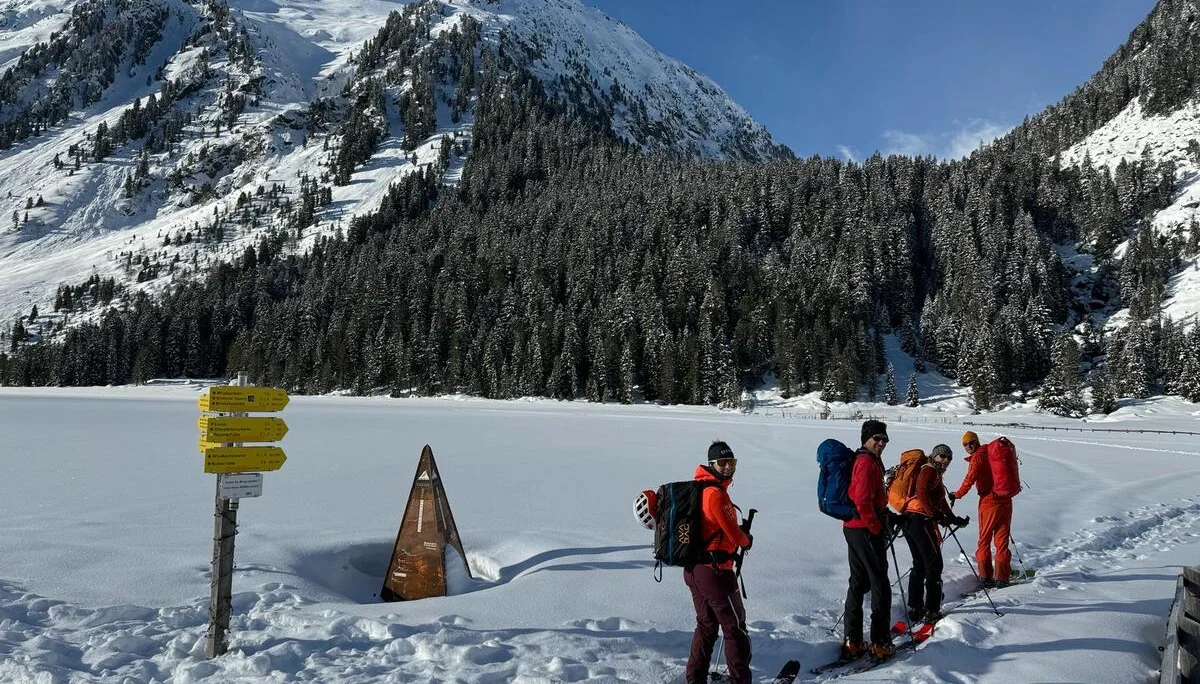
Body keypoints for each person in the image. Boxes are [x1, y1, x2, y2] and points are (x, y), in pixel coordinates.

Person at [684, 441, 753, 684]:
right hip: (715, 572)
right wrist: (746, 540)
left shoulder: (702, 488)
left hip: (695, 569)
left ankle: (695, 679)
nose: (727, 468)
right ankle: (740, 680)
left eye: (731, 463)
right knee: (735, 627)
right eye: (722, 463)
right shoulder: (715, 493)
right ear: (711, 464)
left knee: (706, 626)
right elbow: (735, 535)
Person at [841, 420, 895, 661]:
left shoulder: (868, 459)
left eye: (884, 440)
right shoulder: (865, 462)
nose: (881, 443)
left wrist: (883, 515)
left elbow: (871, 498)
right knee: (880, 584)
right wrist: (876, 528)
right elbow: (862, 500)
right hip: (864, 530)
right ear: (866, 439)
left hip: (855, 528)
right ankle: (880, 642)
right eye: (877, 439)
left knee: (859, 581)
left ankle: (853, 640)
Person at [901, 444, 969, 624]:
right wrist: (935, 515)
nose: (945, 461)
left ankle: (916, 607)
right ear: (934, 456)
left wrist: (952, 518)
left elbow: (939, 499)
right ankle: (932, 609)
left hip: (911, 521)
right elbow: (922, 494)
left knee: (921, 564)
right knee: (933, 564)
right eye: (942, 456)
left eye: (949, 458)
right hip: (920, 521)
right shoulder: (929, 471)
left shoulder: (935, 473)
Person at [951, 431, 1012, 588]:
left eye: (971, 442)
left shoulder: (978, 457)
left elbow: (969, 480)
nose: (969, 446)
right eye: (965, 444)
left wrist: (956, 495)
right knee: (1001, 540)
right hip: (1005, 500)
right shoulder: (991, 452)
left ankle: (985, 576)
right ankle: (1002, 577)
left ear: (976, 442)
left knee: (984, 540)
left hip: (989, 501)